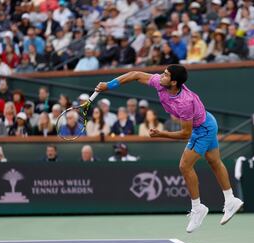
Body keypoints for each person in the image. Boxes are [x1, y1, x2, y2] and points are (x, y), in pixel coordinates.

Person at [95, 64, 243, 233]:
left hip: (202, 129)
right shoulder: (160, 82)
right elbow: (135, 74)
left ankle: (198, 208)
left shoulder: (184, 103)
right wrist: (109, 85)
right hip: (207, 122)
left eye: (165, 75)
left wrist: (160, 134)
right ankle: (231, 200)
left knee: (185, 166)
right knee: (214, 161)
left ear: (173, 82)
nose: (160, 76)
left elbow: (185, 134)